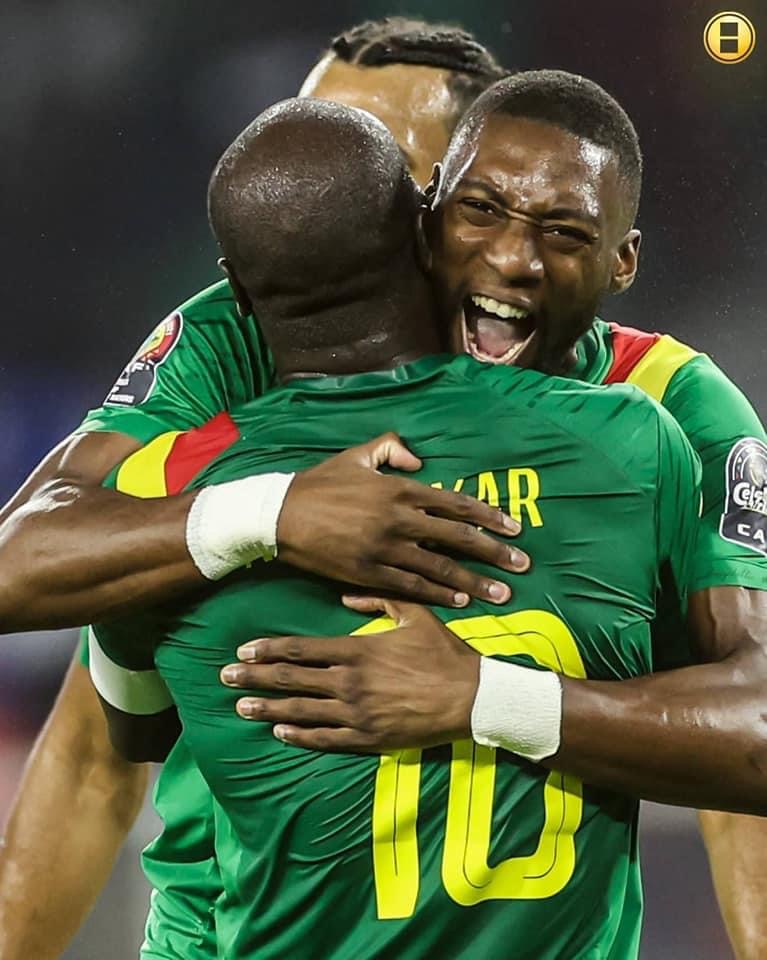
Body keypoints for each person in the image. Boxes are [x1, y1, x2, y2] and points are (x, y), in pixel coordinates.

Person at [94, 94, 703, 960]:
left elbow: (135, 732)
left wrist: (260, 522)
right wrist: (504, 698)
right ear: (422, 228)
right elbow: (711, 713)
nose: (512, 259)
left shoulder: (160, 489)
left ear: (238, 287)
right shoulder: (631, 440)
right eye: (483, 211)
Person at [0, 19, 515, 960]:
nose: (322, 184)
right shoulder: (227, 339)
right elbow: (74, 709)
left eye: (376, 160)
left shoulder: (620, 401)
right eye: (307, 136)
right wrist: (268, 513)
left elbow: (731, 727)